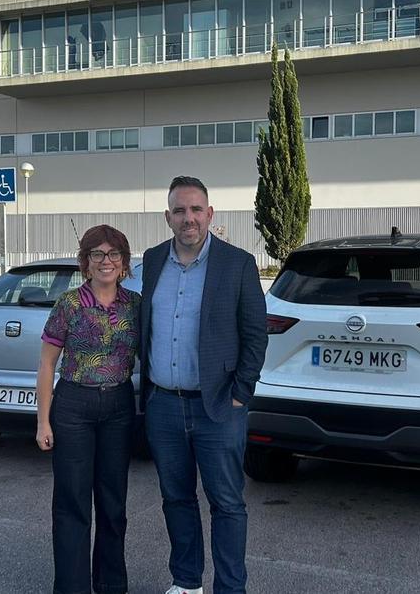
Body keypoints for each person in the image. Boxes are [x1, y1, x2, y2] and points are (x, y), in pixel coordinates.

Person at [140, 176, 268, 594]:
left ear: (209, 214)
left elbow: (255, 335)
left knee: (227, 504)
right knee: (176, 499)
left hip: (218, 407)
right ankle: (187, 581)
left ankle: (230, 588)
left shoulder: (237, 263)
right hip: (164, 405)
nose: (188, 218)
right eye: (179, 210)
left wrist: (240, 393)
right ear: (167, 217)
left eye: (196, 210)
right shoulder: (154, 260)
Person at [35, 225, 141, 594]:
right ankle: (72, 587)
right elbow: (48, 364)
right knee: (72, 503)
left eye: (114, 254)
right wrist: (43, 421)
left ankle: (111, 584)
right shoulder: (69, 304)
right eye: (97, 254)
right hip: (74, 407)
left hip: (119, 407)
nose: (106, 261)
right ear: (86, 262)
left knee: (113, 503)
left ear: (124, 262)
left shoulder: (136, 305)